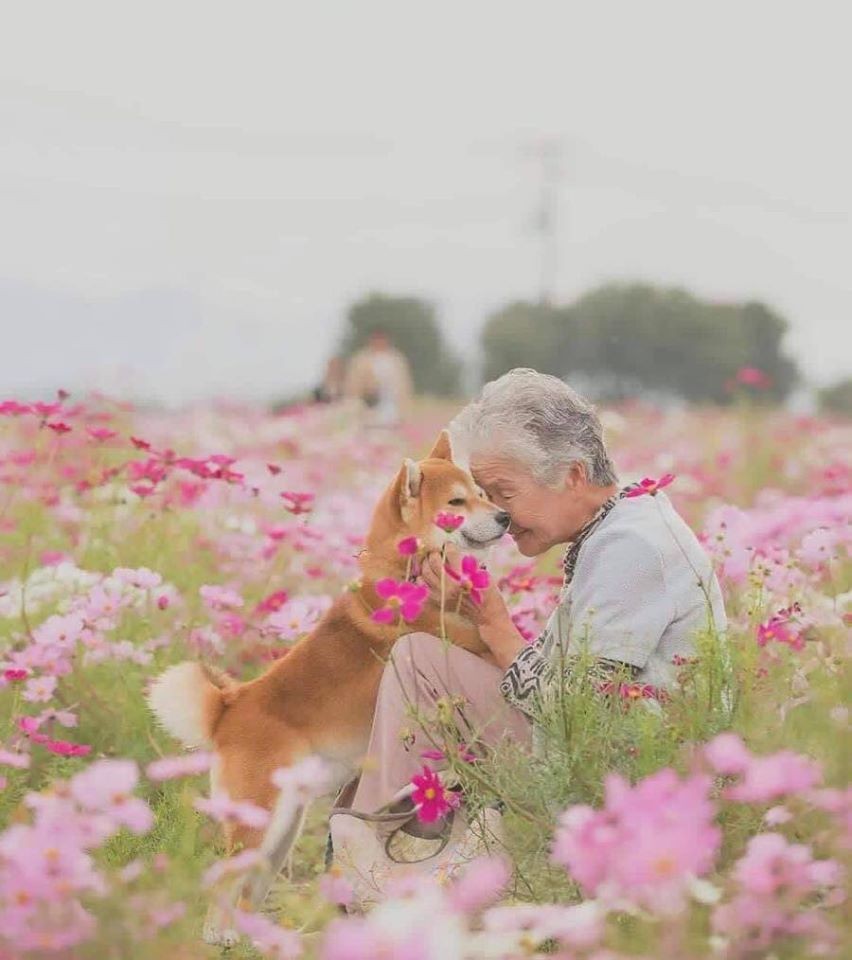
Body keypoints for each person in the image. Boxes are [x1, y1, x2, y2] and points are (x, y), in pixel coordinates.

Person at [349, 367, 727, 814]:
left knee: (420, 664)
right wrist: (468, 612)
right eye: (484, 494)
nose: (496, 515)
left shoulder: (631, 546)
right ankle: (392, 831)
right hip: (621, 752)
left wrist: (493, 621)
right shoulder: (621, 521)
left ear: (572, 475)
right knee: (425, 658)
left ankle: (382, 841)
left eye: (503, 492)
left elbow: (580, 715)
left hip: (636, 777)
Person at [343, 329, 413, 427]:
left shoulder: (397, 359)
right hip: (369, 406)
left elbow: (404, 386)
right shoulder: (361, 359)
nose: (379, 342)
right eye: (376, 339)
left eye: (382, 339)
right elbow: (353, 385)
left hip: (393, 406)